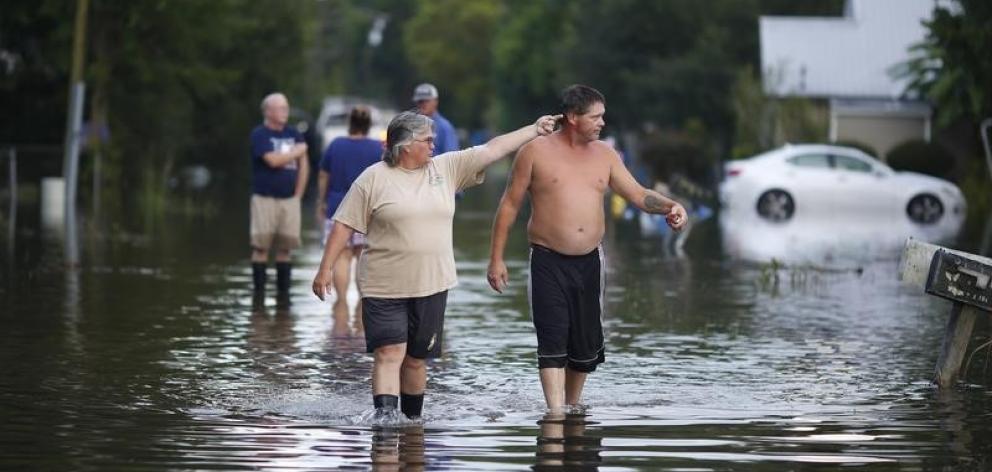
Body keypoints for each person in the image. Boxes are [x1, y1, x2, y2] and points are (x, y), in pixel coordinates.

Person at [312, 111, 561, 420]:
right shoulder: (373, 178)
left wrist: (534, 129)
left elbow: (493, 149)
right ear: (404, 145)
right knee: (390, 354)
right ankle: (387, 426)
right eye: (427, 140)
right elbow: (343, 226)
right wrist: (325, 269)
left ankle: (413, 424)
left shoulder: (447, 168)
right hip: (383, 284)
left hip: (431, 283)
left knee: (417, 359)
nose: (434, 144)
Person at [486, 84, 688, 412]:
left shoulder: (606, 155)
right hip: (547, 260)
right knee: (552, 339)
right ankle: (554, 415)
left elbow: (637, 194)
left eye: (602, 116)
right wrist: (496, 260)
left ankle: (572, 405)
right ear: (573, 118)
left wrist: (670, 206)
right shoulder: (534, 152)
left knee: (584, 345)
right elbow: (508, 206)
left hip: (590, 262)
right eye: (595, 117)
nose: (602, 123)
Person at [316, 105, 382, 314]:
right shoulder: (377, 148)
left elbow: (324, 176)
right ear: (369, 124)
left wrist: (322, 200)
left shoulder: (335, 145)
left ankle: (341, 302)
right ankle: (363, 305)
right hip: (367, 210)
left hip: (338, 208)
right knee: (363, 256)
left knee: (342, 257)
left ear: (350, 124)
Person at [249, 92, 309, 300]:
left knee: (286, 247)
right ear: (268, 111)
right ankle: (259, 296)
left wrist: (298, 195)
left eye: (286, 107)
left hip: (289, 199)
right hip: (264, 198)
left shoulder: (294, 134)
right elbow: (272, 161)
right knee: (261, 246)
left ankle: (283, 299)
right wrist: (298, 150)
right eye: (281, 108)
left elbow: (304, 166)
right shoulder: (260, 134)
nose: (285, 112)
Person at [412, 83, 459, 156]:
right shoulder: (411, 125)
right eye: (420, 101)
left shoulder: (445, 127)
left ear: (436, 101)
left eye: (427, 100)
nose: (423, 104)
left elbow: (452, 157)